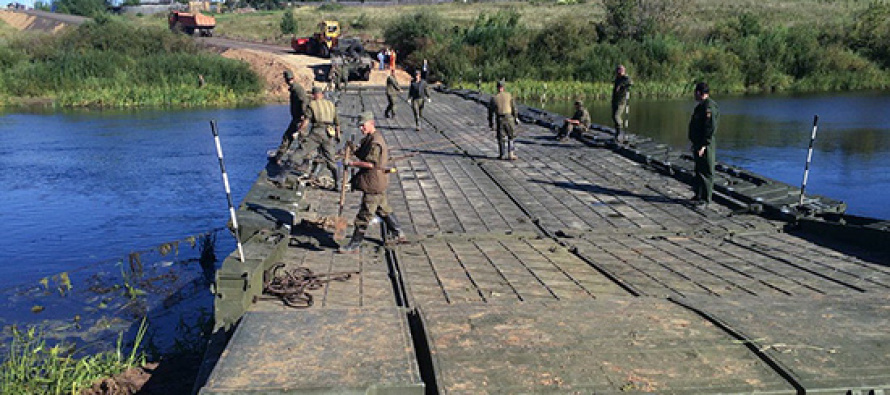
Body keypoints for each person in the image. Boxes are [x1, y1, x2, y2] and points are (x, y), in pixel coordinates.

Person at [339, 111, 407, 253]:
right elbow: (363, 153)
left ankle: (354, 245)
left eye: (363, 126)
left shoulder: (376, 142)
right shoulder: (370, 138)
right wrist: (352, 148)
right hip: (378, 181)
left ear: (372, 123)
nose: (361, 129)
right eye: (360, 126)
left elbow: (371, 164)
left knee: (364, 215)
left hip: (373, 182)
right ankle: (398, 233)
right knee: (383, 208)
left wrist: (352, 164)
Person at [287, 86, 341, 189]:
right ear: (322, 94)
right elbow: (337, 122)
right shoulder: (330, 104)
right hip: (329, 133)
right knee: (331, 159)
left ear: (314, 95)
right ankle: (338, 183)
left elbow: (306, 122)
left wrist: (299, 132)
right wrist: (338, 135)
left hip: (317, 132)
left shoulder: (312, 105)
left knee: (300, 152)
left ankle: (283, 174)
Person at [688, 82, 719, 207]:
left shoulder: (709, 107)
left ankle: (706, 199)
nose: (694, 95)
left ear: (700, 93)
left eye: (695, 92)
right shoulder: (700, 107)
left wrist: (703, 145)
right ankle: (698, 195)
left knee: (706, 171)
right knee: (699, 170)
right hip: (697, 143)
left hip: (705, 145)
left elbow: (710, 129)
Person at [275, 70, 308, 161]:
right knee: (288, 137)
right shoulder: (295, 88)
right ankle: (279, 156)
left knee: (302, 140)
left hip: (299, 118)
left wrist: (303, 114)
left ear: (286, 80)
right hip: (296, 118)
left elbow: (304, 100)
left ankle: (305, 160)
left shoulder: (297, 89)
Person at [488, 80, 519, 160]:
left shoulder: (494, 98)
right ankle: (511, 154)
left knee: (501, 137)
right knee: (511, 136)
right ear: (503, 88)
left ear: (497, 88)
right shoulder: (509, 95)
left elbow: (490, 112)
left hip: (500, 118)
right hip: (509, 118)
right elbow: (514, 108)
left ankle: (502, 154)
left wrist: (491, 123)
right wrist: (516, 118)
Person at [611, 64, 633, 139]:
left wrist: (621, 85)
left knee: (616, 116)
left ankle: (620, 132)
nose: (618, 72)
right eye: (618, 70)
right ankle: (617, 132)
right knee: (613, 117)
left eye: (620, 70)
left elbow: (630, 82)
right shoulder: (617, 78)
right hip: (615, 100)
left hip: (621, 101)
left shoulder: (625, 78)